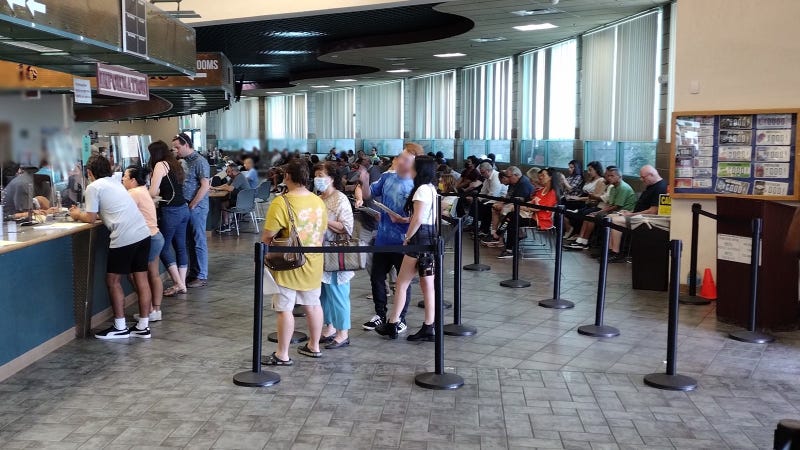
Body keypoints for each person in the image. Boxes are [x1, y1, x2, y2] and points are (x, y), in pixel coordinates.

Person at [69, 155, 153, 339]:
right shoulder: (115, 183)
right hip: (142, 233)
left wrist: (76, 214)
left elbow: (90, 218)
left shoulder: (93, 187)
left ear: (89, 172)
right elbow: (110, 209)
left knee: (112, 281)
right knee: (141, 279)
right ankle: (143, 326)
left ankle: (120, 327)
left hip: (124, 237)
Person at [261, 159, 327, 366]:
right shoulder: (318, 201)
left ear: (287, 176)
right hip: (314, 261)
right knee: (313, 305)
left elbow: (268, 236)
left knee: (285, 308)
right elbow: (322, 232)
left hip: (287, 263)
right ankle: (314, 346)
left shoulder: (281, 202)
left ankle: (282, 354)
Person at [354, 143, 424, 333]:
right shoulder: (387, 177)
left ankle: (400, 318)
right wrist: (365, 181)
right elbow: (369, 194)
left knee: (403, 282)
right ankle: (380, 314)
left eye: (406, 159)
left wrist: (404, 219)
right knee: (377, 277)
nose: (400, 161)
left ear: (415, 164)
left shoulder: (418, 185)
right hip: (383, 238)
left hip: (404, 241)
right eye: (400, 157)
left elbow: (423, 215)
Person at [376, 156, 438, 341]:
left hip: (419, 238)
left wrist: (408, 238)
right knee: (427, 286)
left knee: (402, 283)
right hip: (430, 236)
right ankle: (429, 325)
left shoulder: (420, 190)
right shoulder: (432, 189)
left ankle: (393, 323)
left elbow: (417, 218)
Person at [314, 162, 355, 349]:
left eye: (321, 175)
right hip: (320, 252)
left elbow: (346, 227)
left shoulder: (340, 199)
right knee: (323, 293)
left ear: (331, 178)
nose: (317, 179)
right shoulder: (319, 198)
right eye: (316, 175)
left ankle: (342, 332)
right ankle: (329, 327)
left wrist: (325, 221)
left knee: (338, 293)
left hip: (336, 252)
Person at [122, 165, 165, 321]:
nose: (122, 179)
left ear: (133, 180)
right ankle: (155, 310)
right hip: (156, 236)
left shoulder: (133, 193)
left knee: (136, 276)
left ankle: (148, 311)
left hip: (148, 238)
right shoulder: (143, 190)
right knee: (153, 274)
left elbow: (122, 212)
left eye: (125, 177)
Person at [148, 140, 190, 297]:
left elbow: (152, 192)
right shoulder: (175, 164)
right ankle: (182, 284)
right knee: (180, 247)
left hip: (171, 211)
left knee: (163, 248)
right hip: (183, 209)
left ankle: (178, 283)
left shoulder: (160, 165)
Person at [566, 166, 636, 251]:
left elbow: (616, 206)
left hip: (624, 213)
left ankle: (606, 248)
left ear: (619, 177)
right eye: (608, 175)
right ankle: (581, 241)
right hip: (614, 211)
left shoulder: (623, 187)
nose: (609, 178)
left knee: (593, 217)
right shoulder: (614, 187)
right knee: (588, 216)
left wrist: (599, 212)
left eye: (612, 176)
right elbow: (611, 205)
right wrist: (599, 212)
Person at [607, 165, 668, 262]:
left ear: (651, 175)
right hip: (638, 215)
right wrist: (629, 212)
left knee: (615, 221)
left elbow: (653, 211)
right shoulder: (651, 186)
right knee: (609, 217)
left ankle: (616, 252)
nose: (641, 179)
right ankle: (609, 250)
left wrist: (631, 215)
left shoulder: (660, 187)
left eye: (643, 177)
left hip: (647, 219)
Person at [173, 132, 210, 288]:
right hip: (187, 206)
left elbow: (205, 186)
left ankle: (201, 275)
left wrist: (193, 204)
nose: (175, 150)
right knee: (189, 241)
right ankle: (193, 272)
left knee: (198, 240)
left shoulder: (200, 161)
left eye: (177, 147)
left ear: (186, 145)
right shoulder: (183, 162)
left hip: (197, 207)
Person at [481, 166, 534, 247]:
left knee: (504, 211)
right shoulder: (513, 183)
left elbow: (520, 201)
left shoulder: (523, 184)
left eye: (509, 177)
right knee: (495, 208)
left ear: (516, 175)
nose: (508, 179)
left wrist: (503, 205)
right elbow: (509, 197)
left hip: (525, 209)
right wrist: (501, 203)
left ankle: (499, 238)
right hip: (516, 206)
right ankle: (494, 234)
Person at [564, 161, 607, 239]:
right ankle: (571, 230)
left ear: (597, 170)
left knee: (580, 211)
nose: (588, 172)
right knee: (565, 202)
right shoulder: (590, 179)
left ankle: (577, 233)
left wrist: (579, 198)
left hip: (589, 201)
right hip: (583, 198)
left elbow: (595, 196)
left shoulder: (601, 180)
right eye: (588, 170)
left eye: (590, 170)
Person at [213, 163, 249, 233]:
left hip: (243, 203)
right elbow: (226, 185)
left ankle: (227, 225)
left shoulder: (239, 177)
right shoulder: (235, 177)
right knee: (226, 200)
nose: (227, 174)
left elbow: (230, 189)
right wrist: (214, 188)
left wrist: (218, 188)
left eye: (228, 171)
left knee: (223, 204)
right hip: (245, 201)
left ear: (233, 171)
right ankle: (229, 222)